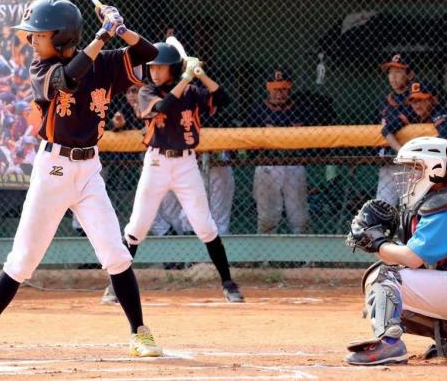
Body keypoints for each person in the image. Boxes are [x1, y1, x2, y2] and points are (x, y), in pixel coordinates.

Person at [0, 0, 162, 361]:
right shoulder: (42, 68)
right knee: (23, 260)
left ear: (61, 36)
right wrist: (103, 36)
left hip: (89, 172)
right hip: (52, 171)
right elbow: (69, 79)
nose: (30, 40)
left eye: (38, 34)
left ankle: (139, 332)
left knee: (116, 255)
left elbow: (148, 54)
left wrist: (121, 29)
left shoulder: (105, 63)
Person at [104, 42, 244, 304]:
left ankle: (228, 283)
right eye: (153, 68)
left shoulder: (191, 91)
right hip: (156, 164)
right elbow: (163, 107)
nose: (155, 72)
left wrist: (200, 75)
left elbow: (223, 99)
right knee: (137, 227)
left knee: (205, 226)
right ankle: (115, 286)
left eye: (161, 68)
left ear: (173, 69)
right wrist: (187, 78)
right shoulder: (147, 91)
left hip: (186, 165)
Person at [344, 137, 447, 365]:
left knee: (384, 277)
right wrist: (380, 243)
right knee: (386, 287)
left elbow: (411, 259)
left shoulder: (445, 206)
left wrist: (378, 242)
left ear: (436, 170)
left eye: (416, 169)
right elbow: (412, 262)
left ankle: (389, 343)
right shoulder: (439, 202)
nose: (410, 175)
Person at [245, 70, 310, 234]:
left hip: (294, 165)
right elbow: (248, 144)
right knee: (267, 219)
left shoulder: (300, 109)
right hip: (267, 166)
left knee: (300, 218)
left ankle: (305, 250)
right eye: (276, 89)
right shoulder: (258, 110)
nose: (280, 93)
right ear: (268, 89)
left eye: (283, 89)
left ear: (290, 88)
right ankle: (266, 251)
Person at [376, 54, 416, 206]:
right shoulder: (383, 101)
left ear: (410, 75)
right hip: (388, 162)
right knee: (383, 209)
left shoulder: (417, 100)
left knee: (413, 210)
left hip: (412, 163)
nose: (392, 77)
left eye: (398, 72)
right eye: (390, 72)